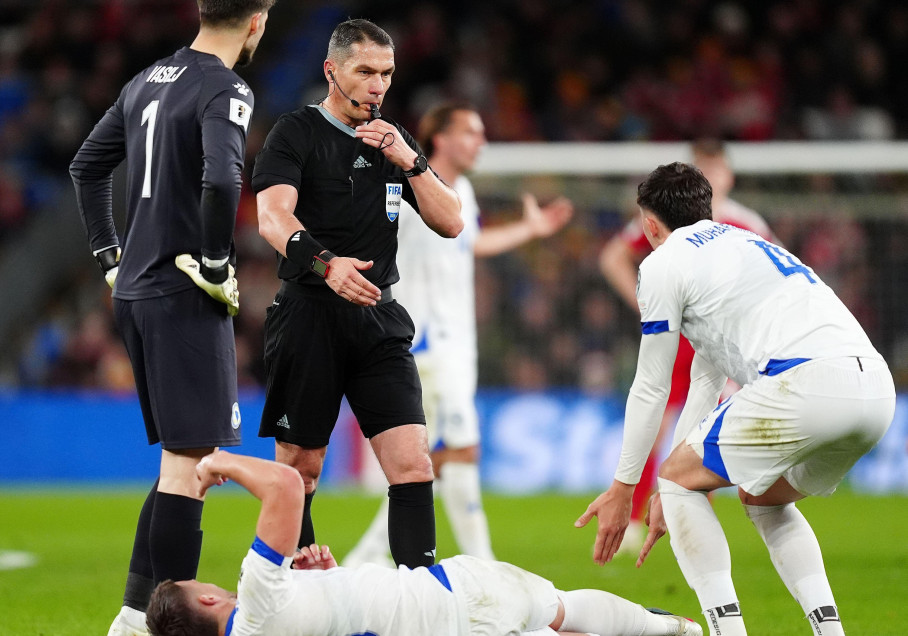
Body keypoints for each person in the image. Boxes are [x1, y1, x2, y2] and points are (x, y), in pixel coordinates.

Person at [577, 162, 895, 636]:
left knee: (681, 481)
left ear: (649, 224)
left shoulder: (662, 264)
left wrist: (626, 487)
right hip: (875, 388)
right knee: (761, 496)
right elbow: (707, 380)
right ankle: (831, 631)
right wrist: (679, 479)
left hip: (807, 384)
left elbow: (651, 385)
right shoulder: (747, 242)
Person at [68, 1, 275, 633]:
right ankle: (164, 628)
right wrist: (215, 263)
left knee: (178, 465)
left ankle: (133, 620)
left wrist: (111, 254)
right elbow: (222, 178)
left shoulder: (146, 79)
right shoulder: (226, 87)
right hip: (181, 292)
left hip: (136, 289)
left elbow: (86, 167)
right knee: (191, 466)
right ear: (256, 22)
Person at [250, 19, 463, 569]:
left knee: (414, 463)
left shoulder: (395, 141)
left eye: (386, 74)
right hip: (308, 314)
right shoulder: (295, 132)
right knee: (302, 466)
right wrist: (326, 265)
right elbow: (272, 218)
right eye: (364, 71)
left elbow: (452, 221)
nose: (377, 85)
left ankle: (422, 598)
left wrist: (411, 161)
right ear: (332, 70)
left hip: (378, 320)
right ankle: (297, 591)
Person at [345, 102, 573, 566]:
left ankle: (365, 559)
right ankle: (486, 566)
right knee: (459, 450)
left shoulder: (461, 190)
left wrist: (527, 230)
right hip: (424, 341)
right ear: (440, 138)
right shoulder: (405, 187)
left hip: (456, 344)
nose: (481, 142)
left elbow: (470, 243)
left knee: (429, 462)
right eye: (471, 132)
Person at [144, 450, 702, 636]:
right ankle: (674, 628)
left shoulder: (274, 615)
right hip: (454, 591)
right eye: (205, 585)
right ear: (211, 601)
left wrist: (329, 585)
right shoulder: (257, 598)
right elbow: (286, 485)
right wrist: (221, 463)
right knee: (563, 606)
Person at [597, 140, 774, 551]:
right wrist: (646, 306)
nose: (713, 175)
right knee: (659, 424)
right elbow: (613, 257)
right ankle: (640, 516)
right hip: (679, 339)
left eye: (718, 168)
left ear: (729, 176)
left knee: (707, 430)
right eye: (705, 168)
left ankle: (688, 521)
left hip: (726, 342)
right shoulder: (671, 222)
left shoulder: (748, 223)